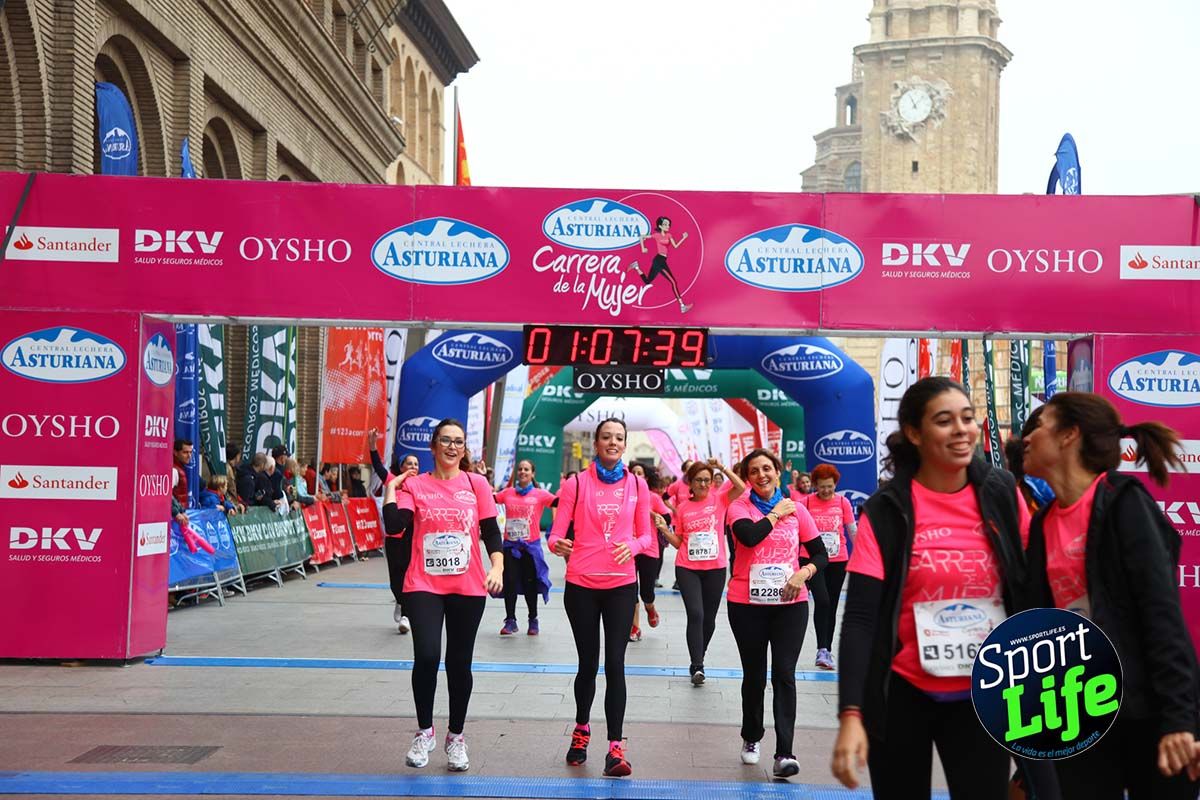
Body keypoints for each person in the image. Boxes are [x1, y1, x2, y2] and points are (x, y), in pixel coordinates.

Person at [832, 377, 1031, 799]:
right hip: (903, 693)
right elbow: (862, 618)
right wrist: (851, 713)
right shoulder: (887, 510)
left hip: (988, 691)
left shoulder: (1002, 494)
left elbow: (1031, 590)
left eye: (968, 418)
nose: (962, 430)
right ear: (915, 433)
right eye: (945, 421)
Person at [1022, 391, 1200, 799]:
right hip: (1080, 713)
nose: (1028, 437)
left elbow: (1162, 616)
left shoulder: (1125, 504)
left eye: (1041, 425)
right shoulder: (1044, 524)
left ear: (1069, 435)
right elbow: (1039, 631)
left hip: (1148, 715)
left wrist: (1179, 721)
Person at [382, 419, 504, 773]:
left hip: (467, 586)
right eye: (446, 441)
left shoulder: (476, 484)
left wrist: (496, 568)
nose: (453, 447)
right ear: (433, 447)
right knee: (427, 655)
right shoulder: (416, 485)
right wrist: (392, 488)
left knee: (459, 663)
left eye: (459, 442)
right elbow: (395, 525)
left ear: (464, 450)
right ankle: (424, 733)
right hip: (423, 584)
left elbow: (492, 533)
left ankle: (456, 738)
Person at [547, 418, 653, 777]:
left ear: (625, 444)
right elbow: (555, 533)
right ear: (596, 443)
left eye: (619, 438)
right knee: (588, 664)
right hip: (581, 585)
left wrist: (633, 545)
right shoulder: (576, 482)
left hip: (621, 586)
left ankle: (615, 747)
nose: (612, 442)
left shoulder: (638, 484)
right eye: (606, 437)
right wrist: (556, 544)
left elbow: (647, 538)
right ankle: (581, 731)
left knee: (616, 664)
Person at [727, 447, 827, 779]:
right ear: (747, 477)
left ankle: (785, 752)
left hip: (789, 605)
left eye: (767, 469)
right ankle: (752, 737)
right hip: (746, 605)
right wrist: (774, 515)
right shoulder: (738, 508)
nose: (761, 476)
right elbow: (749, 536)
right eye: (754, 471)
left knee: (784, 673)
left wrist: (804, 573)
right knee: (754, 675)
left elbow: (821, 554)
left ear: (777, 473)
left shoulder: (798, 510)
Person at [660, 459, 744, 684]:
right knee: (696, 614)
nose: (704, 484)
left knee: (709, 619)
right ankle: (697, 664)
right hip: (688, 567)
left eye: (707, 480)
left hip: (715, 568)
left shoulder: (720, 499)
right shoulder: (683, 508)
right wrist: (663, 530)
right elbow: (679, 542)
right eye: (699, 480)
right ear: (691, 482)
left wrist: (722, 468)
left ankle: (700, 653)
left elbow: (741, 488)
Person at [796, 463, 857, 671]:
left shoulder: (842, 503)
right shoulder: (805, 503)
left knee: (830, 604)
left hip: (837, 560)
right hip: (812, 559)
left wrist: (863, 555)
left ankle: (825, 650)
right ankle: (822, 647)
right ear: (815, 485)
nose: (826, 491)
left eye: (830, 486)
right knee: (822, 600)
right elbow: (796, 532)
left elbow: (852, 531)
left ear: (835, 485)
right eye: (822, 487)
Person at [494, 459, 557, 635]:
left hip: (530, 548)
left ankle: (533, 619)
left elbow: (560, 502)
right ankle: (510, 620)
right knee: (510, 584)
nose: (522, 472)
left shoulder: (540, 494)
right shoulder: (507, 493)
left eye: (526, 469)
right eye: (520, 469)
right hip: (510, 547)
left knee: (531, 585)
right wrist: (483, 477)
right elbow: (489, 499)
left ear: (532, 473)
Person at [629, 464, 670, 642]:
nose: (636, 475)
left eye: (640, 473)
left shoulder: (653, 497)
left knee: (646, 591)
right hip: (628, 548)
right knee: (630, 590)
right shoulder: (623, 496)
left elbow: (667, 518)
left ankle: (650, 607)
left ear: (646, 478)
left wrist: (650, 512)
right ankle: (635, 626)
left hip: (649, 548)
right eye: (633, 473)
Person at [629, 215, 692, 313]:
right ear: (660, 226)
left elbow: (675, 246)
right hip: (659, 261)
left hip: (661, 260)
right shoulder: (656, 235)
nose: (668, 226)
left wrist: (683, 238)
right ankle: (682, 306)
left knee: (647, 281)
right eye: (665, 224)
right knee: (673, 282)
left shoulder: (669, 235)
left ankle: (636, 266)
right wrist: (643, 248)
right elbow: (642, 236)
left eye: (668, 224)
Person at [172, 439, 194, 508]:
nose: (189, 456)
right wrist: (177, 513)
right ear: (175, 452)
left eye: (190, 452)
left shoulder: (180, 468)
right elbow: (167, 497)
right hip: (177, 516)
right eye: (185, 452)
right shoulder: (173, 470)